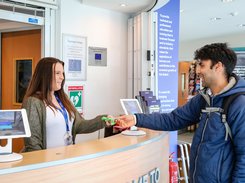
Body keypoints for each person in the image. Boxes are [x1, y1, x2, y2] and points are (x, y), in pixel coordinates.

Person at [115, 43, 245, 182]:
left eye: (202, 65)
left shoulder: (239, 103)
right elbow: (173, 119)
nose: (197, 70)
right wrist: (136, 119)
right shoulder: (203, 99)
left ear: (218, 67)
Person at [22, 57, 109, 152]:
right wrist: (43, 165)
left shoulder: (63, 98)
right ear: (44, 75)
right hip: (48, 162)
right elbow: (33, 143)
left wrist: (103, 120)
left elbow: (80, 125)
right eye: (57, 73)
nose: (62, 77)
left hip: (67, 159)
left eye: (62, 73)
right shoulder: (33, 102)